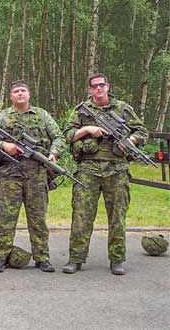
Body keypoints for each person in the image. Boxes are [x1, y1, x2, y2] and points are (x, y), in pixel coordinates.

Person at [62, 73, 148, 275]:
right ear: (90, 90)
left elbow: (142, 132)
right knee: (81, 215)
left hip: (117, 170)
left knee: (117, 216)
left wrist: (130, 142)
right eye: (95, 86)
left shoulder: (123, 109)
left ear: (108, 86)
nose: (99, 89)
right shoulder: (81, 111)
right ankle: (76, 259)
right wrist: (88, 129)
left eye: (102, 85)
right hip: (87, 169)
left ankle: (117, 259)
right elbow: (67, 135)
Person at [0, 80, 65, 273]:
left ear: (29, 94)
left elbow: (59, 137)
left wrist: (53, 153)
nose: (20, 94)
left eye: (23, 90)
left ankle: (42, 257)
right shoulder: (3, 117)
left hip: (37, 176)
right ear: (11, 96)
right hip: (9, 176)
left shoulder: (42, 115)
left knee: (38, 218)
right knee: (6, 218)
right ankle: (0, 257)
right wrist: (5, 146)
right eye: (16, 91)